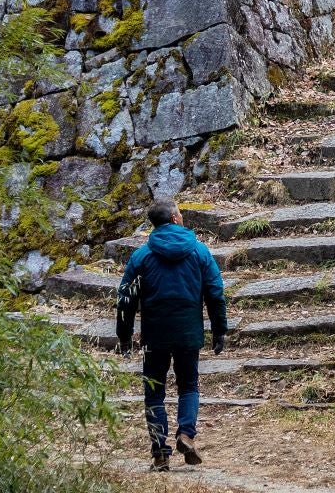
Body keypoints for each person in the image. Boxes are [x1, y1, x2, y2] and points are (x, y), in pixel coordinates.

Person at [116, 199, 229, 471]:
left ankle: (160, 453)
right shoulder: (200, 252)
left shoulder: (141, 257)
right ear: (175, 219)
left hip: (154, 335)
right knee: (189, 385)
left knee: (154, 392)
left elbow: (125, 299)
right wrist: (218, 330)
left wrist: (124, 335)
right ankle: (186, 434)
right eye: (180, 212)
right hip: (188, 332)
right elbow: (215, 293)